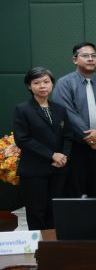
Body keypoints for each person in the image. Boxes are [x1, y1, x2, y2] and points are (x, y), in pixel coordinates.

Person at [12, 68, 73, 229]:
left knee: (56, 212)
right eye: (36, 83)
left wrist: (63, 156)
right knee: (36, 212)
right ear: (29, 86)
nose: (42, 86)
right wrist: (52, 155)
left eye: (46, 82)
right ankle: (39, 249)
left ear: (52, 84)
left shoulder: (60, 109)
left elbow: (68, 136)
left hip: (59, 169)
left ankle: (53, 248)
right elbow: (22, 139)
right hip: (34, 170)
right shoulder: (22, 109)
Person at [52, 42, 96, 197]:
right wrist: (91, 138)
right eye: (85, 55)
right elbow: (68, 114)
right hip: (76, 146)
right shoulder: (64, 83)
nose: (91, 59)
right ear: (75, 59)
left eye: (94, 56)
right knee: (75, 193)